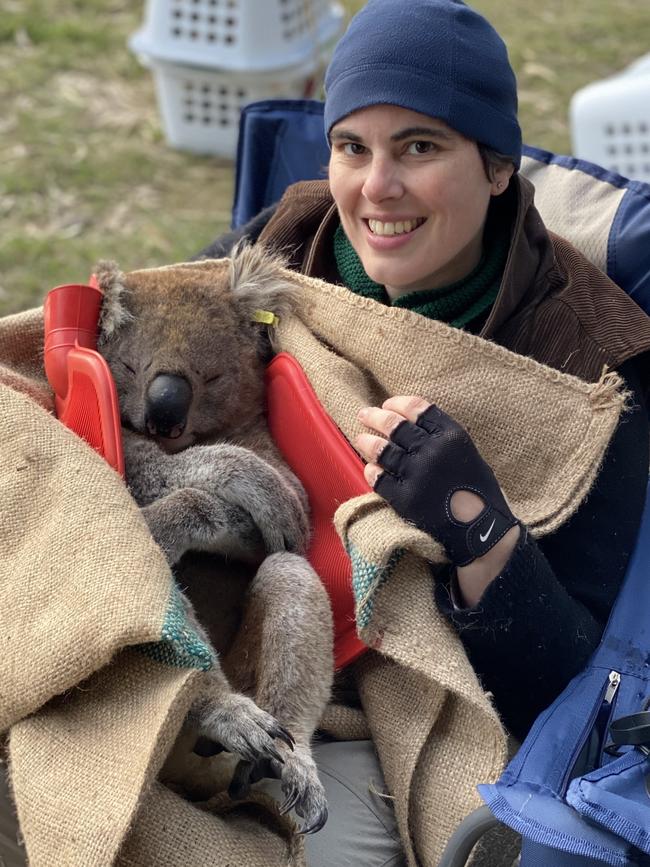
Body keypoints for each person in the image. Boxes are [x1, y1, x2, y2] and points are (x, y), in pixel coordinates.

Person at [2, 1, 649, 865]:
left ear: (498, 168)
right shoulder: (288, 244)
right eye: (353, 147)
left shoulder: (589, 368)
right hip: (197, 639)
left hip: (385, 722)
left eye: (420, 147)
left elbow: (582, 694)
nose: (376, 188)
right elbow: (147, 354)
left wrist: (480, 529)